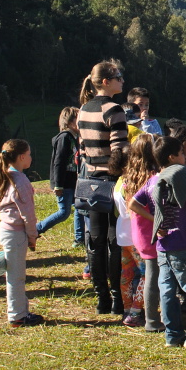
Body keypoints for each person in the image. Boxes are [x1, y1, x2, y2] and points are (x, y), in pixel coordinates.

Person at [131, 135, 186, 350]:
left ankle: (173, 335)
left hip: (162, 244)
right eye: (181, 153)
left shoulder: (152, 180)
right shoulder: (180, 176)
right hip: (183, 241)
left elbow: (133, 203)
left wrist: (156, 222)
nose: (184, 157)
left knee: (167, 290)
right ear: (172, 157)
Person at [77, 60, 130, 316]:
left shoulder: (83, 109)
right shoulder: (114, 109)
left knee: (95, 242)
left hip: (91, 184)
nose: (122, 80)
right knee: (115, 241)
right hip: (111, 182)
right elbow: (120, 151)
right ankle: (117, 298)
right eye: (118, 76)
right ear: (107, 82)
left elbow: (82, 151)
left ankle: (101, 299)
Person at [0, 139, 42, 327]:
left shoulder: (6, 174)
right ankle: (17, 316)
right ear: (22, 157)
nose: (31, 158)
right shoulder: (20, 181)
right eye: (29, 155)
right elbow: (28, 215)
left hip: (7, 231)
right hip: (15, 235)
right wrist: (32, 237)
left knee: (14, 274)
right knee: (16, 276)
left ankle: (20, 311)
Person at [112, 137, 156, 327]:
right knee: (147, 274)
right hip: (140, 233)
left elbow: (118, 208)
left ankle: (127, 308)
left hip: (122, 231)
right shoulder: (150, 177)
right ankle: (137, 311)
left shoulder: (123, 178)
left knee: (126, 274)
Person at [36, 107, 82, 243]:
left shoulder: (75, 138)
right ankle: (36, 229)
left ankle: (79, 239)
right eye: (78, 119)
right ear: (69, 122)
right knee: (63, 213)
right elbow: (59, 162)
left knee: (80, 208)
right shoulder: (65, 138)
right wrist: (58, 185)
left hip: (74, 182)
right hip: (64, 183)